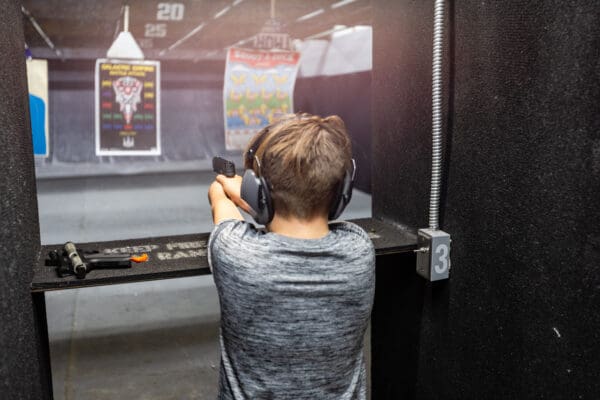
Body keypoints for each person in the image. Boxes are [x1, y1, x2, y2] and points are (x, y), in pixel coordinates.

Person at [207, 113, 375, 399]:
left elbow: (219, 200)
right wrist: (262, 198)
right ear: (341, 194)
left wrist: (234, 189)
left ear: (256, 192)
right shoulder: (359, 249)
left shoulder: (235, 252)